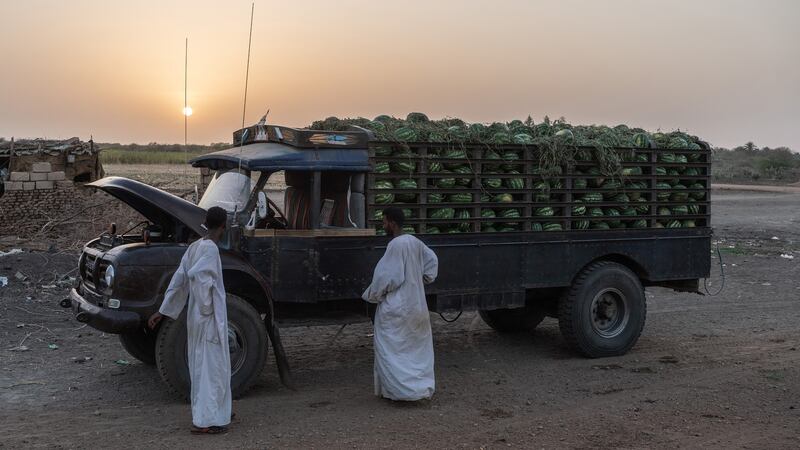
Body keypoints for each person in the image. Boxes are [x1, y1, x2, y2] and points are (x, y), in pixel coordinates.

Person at [147, 206, 232, 435]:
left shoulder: (195, 246)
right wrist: (207, 310)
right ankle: (206, 420)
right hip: (207, 318)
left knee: (208, 366)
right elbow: (200, 279)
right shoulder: (211, 250)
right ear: (224, 225)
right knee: (210, 368)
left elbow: (179, 280)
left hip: (198, 317)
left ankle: (218, 410)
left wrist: (163, 311)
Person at [362, 207, 439, 401]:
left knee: (393, 348)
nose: (383, 225)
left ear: (392, 223)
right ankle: (419, 389)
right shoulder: (415, 242)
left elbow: (387, 278)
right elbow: (432, 263)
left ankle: (400, 392)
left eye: (385, 221)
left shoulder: (396, 245)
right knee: (414, 350)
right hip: (416, 305)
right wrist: (420, 279)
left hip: (397, 308)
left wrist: (372, 295)